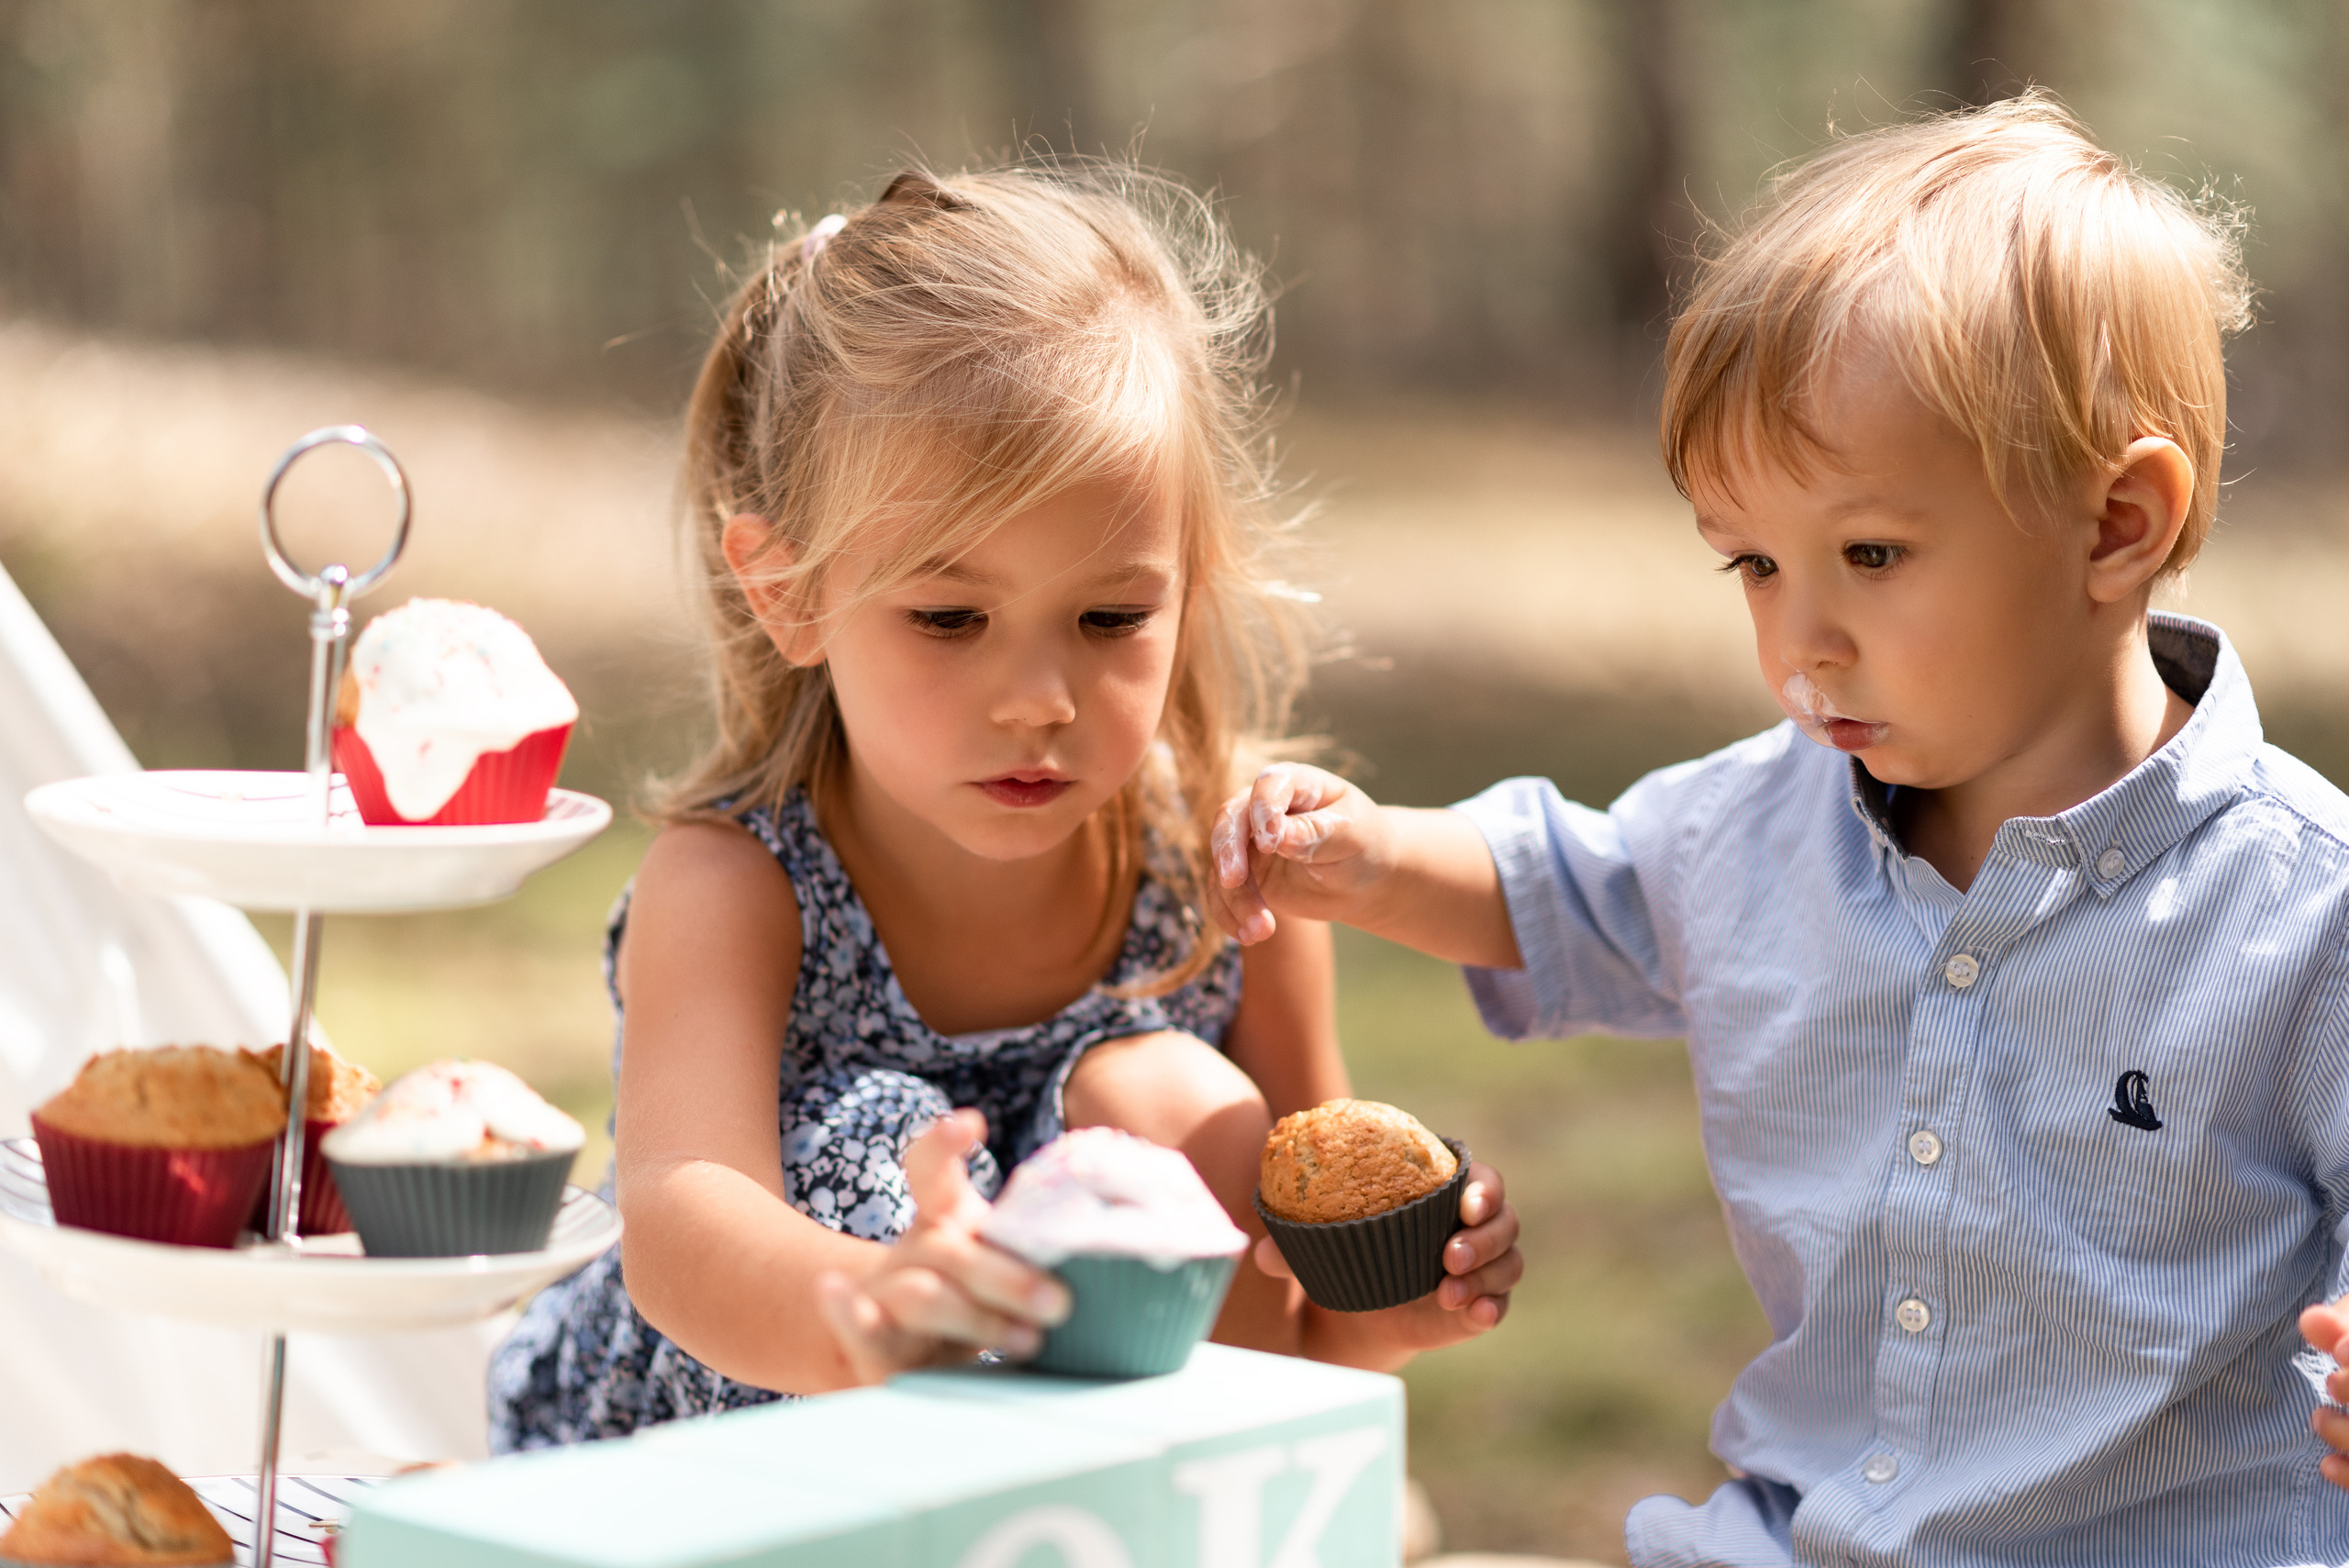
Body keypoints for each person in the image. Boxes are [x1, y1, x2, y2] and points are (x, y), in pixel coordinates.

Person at [1209, 95, 2349, 1566]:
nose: (1801, 637)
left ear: (2117, 523)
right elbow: (1555, 884)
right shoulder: (1757, 826)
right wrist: (1366, 855)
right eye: (1752, 563)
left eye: (1870, 552)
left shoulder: (2302, 910)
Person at [489, 161, 1521, 1449]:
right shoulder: (738, 882)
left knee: (1175, 1102)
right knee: (883, 1140)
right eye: (949, 617)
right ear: (789, 592)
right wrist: (874, 1307)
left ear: (1188, 586)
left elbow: (1305, 1315)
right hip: (727, 1461)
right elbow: (682, 1231)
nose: (1039, 699)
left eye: (1111, 615)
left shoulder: (1228, 881)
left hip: (1085, 1474)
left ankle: (1179, 1518)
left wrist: (1409, 1297)